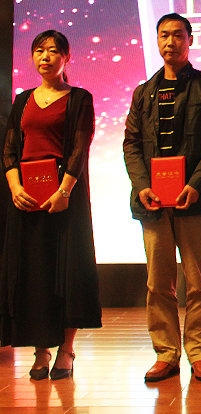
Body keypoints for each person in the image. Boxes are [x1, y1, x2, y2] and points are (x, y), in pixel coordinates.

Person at [123, 13, 201, 382]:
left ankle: (200, 354)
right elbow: (131, 144)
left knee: (199, 282)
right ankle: (166, 353)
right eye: (164, 36)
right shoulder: (143, 92)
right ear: (157, 41)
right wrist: (142, 185)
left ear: (190, 40)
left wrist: (197, 184)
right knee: (158, 283)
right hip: (153, 202)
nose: (170, 42)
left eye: (178, 35)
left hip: (196, 201)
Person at [1, 30, 101, 381]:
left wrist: (63, 192)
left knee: (67, 273)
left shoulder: (79, 98)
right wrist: (15, 187)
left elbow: (79, 148)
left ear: (66, 58)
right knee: (34, 274)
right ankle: (40, 351)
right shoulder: (22, 100)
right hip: (26, 199)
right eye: (39, 51)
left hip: (64, 198)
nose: (45, 57)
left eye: (53, 51)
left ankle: (66, 351)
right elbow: (9, 148)